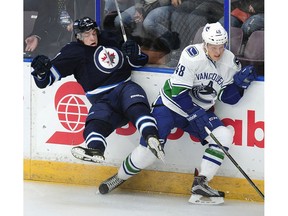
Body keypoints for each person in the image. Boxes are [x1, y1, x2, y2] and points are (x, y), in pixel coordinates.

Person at [98, 22, 257, 205]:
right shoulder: (192, 56)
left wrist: (239, 85)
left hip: (197, 111)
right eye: (214, 47)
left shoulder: (229, 62)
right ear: (205, 44)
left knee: (223, 135)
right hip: (169, 107)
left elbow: (229, 98)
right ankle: (119, 177)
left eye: (221, 47)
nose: (218, 51)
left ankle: (201, 182)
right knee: (148, 153)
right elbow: (178, 94)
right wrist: (196, 114)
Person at [30, 17, 165, 175]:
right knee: (94, 123)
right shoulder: (72, 51)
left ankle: (151, 137)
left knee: (136, 107)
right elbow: (45, 81)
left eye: (93, 33)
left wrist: (135, 55)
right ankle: (95, 150)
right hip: (103, 101)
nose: (92, 38)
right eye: (87, 35)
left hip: (124, 87)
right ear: (78, 36)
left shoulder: (111, 39)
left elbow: (137, 62)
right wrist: (41, 72)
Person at [24, 0, 96, 58]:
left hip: (78, 33)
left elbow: (91, 10)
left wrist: (78, 24)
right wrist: (36, 36)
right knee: (34, 47)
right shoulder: (46, 1)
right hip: (55, 32)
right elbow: (43, 18)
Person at [114, 0, 180, 52]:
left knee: (148, 23)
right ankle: (132, 48)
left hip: (164, 5)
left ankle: (174, 45)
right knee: (119, 21)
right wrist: (139, 10)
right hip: (144, 5)